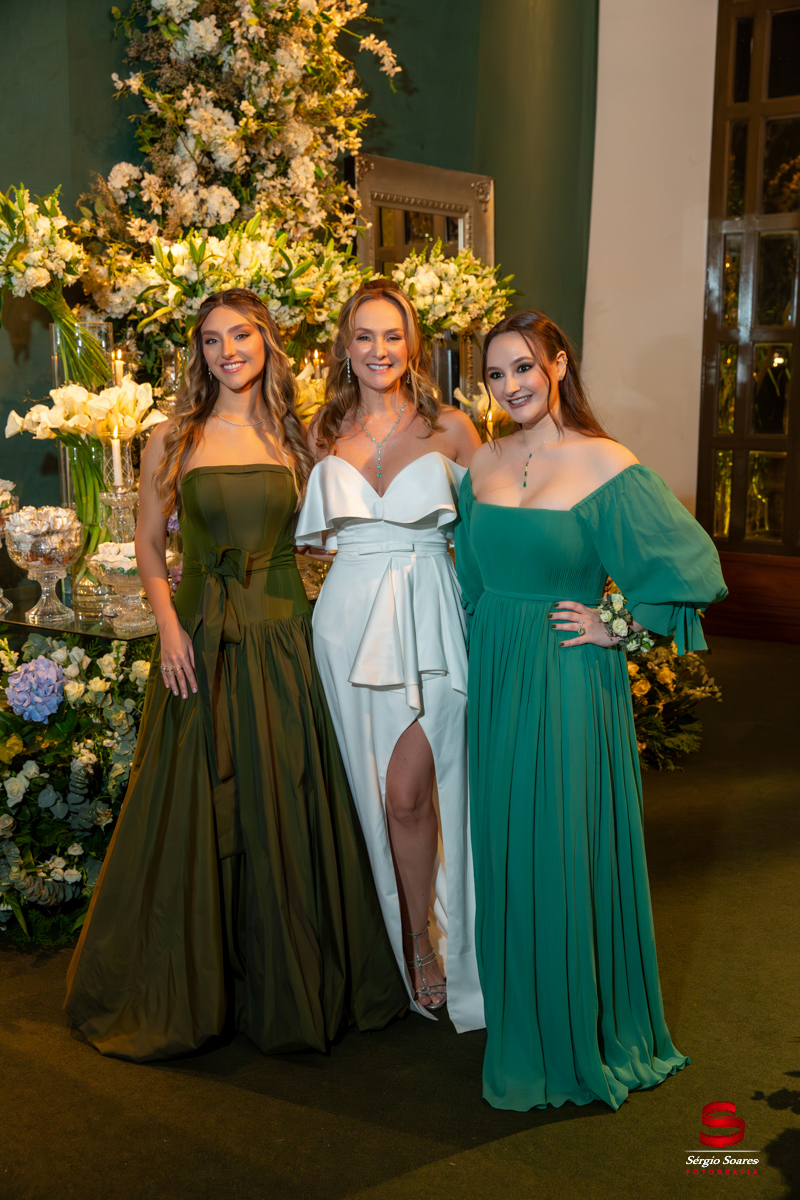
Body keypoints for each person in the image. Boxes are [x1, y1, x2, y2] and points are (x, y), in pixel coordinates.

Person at [65, 288, 408, 1061]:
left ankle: (283, 987)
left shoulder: (299, 434)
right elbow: (149, 543)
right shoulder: (172, 437)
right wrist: (168, 625)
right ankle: (192, 985)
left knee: (283, 798)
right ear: (200, 352)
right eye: (212, 340)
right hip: (199, 637)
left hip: (283, 634)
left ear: (266, 342)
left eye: (242, 335)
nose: (228, 352)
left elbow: (333, 528)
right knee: (196, 803)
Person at [454, 309, 727, 1110]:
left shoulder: (606, 462)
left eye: (524, 367)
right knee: (506, 845)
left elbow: (694, 566)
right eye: (496, 374)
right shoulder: (482, 464)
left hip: (571, 678)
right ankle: (525, 1023)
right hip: (498, 679)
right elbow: (470, 583)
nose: (511, 386)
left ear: (559, 364)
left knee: (562, 843)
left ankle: (581, 1031)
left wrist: (617, 624)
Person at [295, 280, 485, 1032]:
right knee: (366, 797)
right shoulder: (321, 431)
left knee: (410, 793)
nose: (379, 350)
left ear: (414, 345)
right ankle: (394, 941)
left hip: (431, 617)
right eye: (365, 336)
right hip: (345, 626)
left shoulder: (453, 429)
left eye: (393, 335)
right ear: (346, 347)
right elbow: (304, 539)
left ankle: (431, 943)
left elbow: (494, 528)